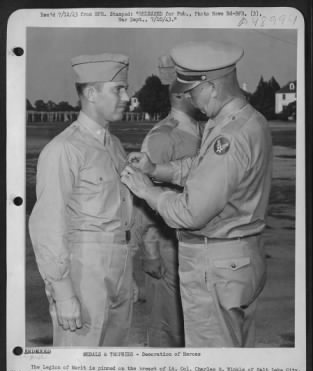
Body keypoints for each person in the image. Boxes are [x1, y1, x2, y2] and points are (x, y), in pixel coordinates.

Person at [121, 41, 273, 347]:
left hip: (216, 264)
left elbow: (191, 213)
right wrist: (157, 169)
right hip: (240, 259)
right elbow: (204, 169)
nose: (188, 96)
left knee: (212, 369)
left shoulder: (229, 136)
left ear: (212, 86)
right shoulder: (246, 120)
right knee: (235, 360)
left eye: (192, 90)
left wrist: (149, 192)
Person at [29, 53, 138, 346]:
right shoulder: (64, 149)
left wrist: (127, 272)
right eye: (118, 89)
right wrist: (63, 292)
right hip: (84, 269)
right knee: (78, 367)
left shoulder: (113, 145)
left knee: (111, 369)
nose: (127, 96)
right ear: (91, 93)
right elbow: (47, 224)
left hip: (119, 267)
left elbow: (122, 211)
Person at [139, 55, 201, 347]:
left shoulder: (203, 129)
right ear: (181, 94)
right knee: (168, 326)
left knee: (193, 328)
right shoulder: (162, 137)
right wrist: (150, 248)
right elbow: (145, 195)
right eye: (196, 89)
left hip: (195, 243)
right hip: (168, 246)